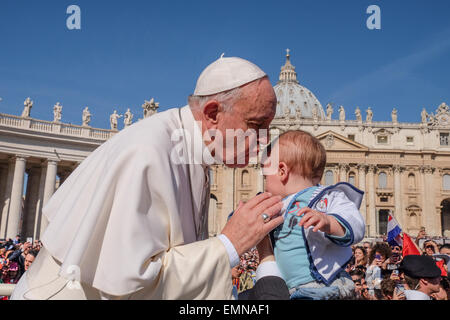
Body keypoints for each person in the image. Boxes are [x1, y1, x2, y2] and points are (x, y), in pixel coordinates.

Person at [10, 56, 284, 300]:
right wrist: (228, 244)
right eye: (257, 125)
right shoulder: (147, 152)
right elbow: (130, 285)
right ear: (213, 114)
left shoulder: (194, 154)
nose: (263, 140)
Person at [257, 130, 366, 300]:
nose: (265, 184)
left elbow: (356, 224)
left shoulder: (327, 196)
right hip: (290, 290)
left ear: (282, 171)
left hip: (320, 286)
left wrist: (329, 222)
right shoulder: (279, 204)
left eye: (265, 177)